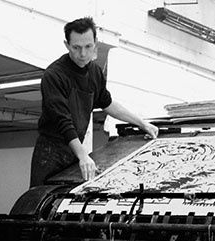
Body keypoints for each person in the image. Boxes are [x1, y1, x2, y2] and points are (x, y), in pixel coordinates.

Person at [30, 16, 159, 187]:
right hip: (50, 152)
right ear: (66, 45)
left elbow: (108, 103)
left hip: (74, 150)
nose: (83, 54)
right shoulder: (54, 75)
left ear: (95, 43)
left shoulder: (95, 73)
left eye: (88, 47)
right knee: (41, 200)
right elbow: (63, 121)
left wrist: (142, 124)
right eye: (76, 47)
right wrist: (83, 155)